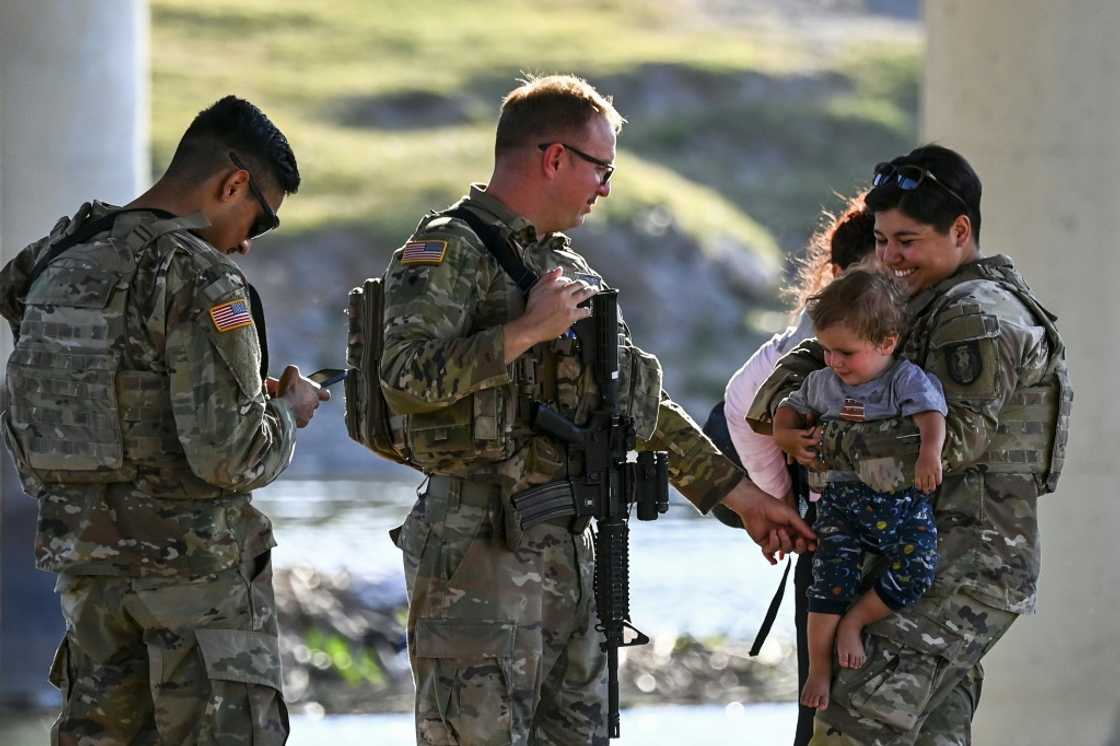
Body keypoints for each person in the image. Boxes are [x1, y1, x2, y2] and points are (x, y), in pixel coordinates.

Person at [379, 73, 815, 745]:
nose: (605, 188)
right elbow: (403, 376)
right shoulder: (447, 250)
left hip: (570, 550)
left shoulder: (565, 266)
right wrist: (522, 333)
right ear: (555, 158)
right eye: (601, 168)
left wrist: (743, 498)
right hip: (477, 551)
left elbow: (640, 405)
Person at [0, 95, 328, 744]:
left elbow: (49, 335)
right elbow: (233, 456)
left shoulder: (60, 253)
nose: (248, 244)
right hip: (194, 586)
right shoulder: (201, 278)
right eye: (260, 220)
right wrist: (287, 413)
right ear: (233, 184)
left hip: (89, 574)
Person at [748, 144, 1072, 745]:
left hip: (956, 565)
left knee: (848, 725)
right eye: (882, 240)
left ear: (960, 232)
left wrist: (819, 439)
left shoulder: (976, 314)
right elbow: (775, 395)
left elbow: (956, 441)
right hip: (917, 559)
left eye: (907, 241)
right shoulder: (908, 305)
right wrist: (793, 419)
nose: (891, 257)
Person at [720, 191, 876, 746]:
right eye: (884, 256)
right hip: (831, 548)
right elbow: (742, 402)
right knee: (826, 715)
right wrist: (779, 503)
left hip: (870, 547)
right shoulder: (822, 331)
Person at [772, 269, 946, 712]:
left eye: (846, 352)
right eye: (827, 350)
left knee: (918, 570)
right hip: (842, 505)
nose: (834, 361)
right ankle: (818, 668)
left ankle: (856, 620)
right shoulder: (822, 383)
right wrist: (787, 436)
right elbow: (788, 410)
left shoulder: (904, 380)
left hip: (901, 504)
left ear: (886, 343)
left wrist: (930, 454)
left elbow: (931, 416)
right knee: (826, 586)